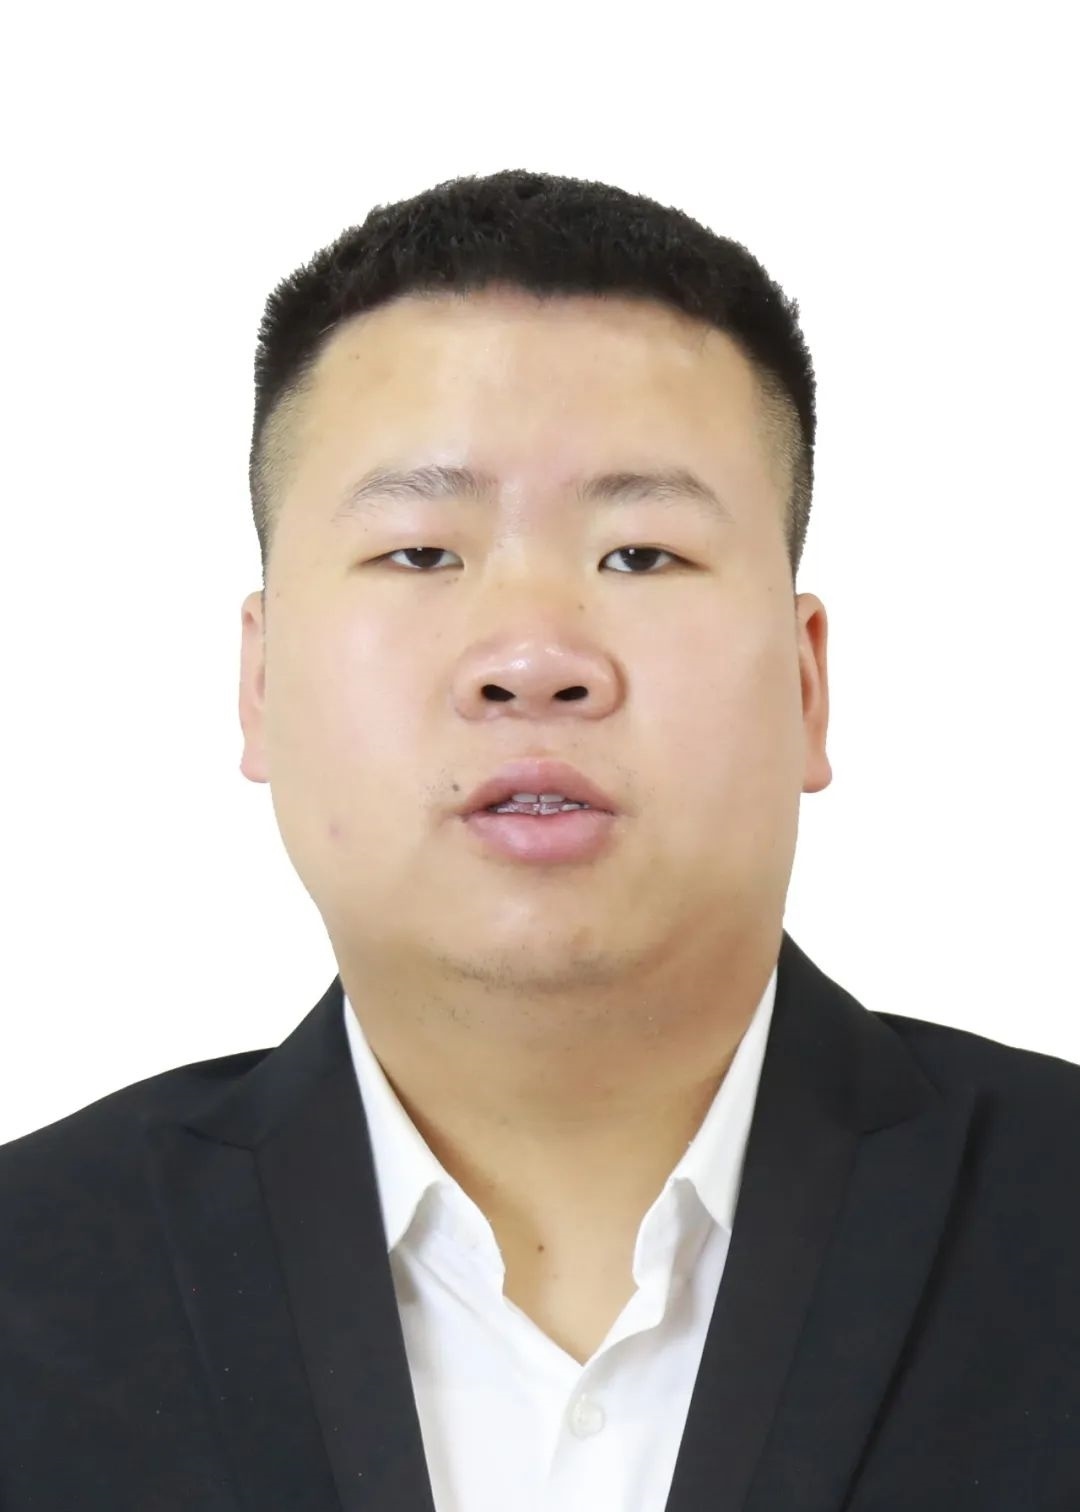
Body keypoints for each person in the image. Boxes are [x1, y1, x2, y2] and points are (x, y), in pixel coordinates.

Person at [1, 168, 1077, 1512]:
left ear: (806, 684)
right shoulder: (32, 1280)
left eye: (641, 555)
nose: (532, 658)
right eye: (420, 554)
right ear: (260, 682)